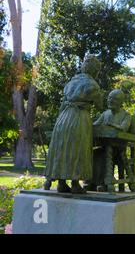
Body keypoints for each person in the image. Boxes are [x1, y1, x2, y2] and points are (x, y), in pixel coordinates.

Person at [44, 55, 102, 193]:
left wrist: (59, 120)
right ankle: (75, 183)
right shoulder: (93, 85)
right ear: (95, 71)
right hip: (79, 117)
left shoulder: (71, 82)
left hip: (63, 117)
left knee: (62, 148)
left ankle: (61, 183)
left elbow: (63, 103)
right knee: (77, 148)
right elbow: (100, 105)